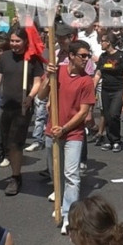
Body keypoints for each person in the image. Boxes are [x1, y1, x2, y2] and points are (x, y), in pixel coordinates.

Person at [38, 40, 96, 233]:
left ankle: (69, 216)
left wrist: (64, 128)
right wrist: (49, 77)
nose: (86, 59)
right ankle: (61, 206)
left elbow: (83, 112)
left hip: (73, 134)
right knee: (57, 173)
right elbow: (41, 95)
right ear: (71, 55)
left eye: (88, 56)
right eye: (83, 55)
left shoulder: (86, 80)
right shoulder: (58, 72)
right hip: (52, 131)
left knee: (72, 175)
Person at [0, 28, 44, 195]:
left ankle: (15, 177)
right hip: (6, 106)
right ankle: (15, 170)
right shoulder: (5, 57)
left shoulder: (32, 60)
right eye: (12, 41)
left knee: (16, 144)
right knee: (8, 144)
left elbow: (38, 82)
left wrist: (30, 97)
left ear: (25, 41)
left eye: (18, 41)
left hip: (23, 108)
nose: (15, 44)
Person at [96, 31, 123, 154]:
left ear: (108, 42)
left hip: (118, 89)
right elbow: (98, 74)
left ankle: (116, 140)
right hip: (105, 89)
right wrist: (91, 88)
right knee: (107, 115)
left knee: (114, 114)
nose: (101, 43)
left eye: (102, 41)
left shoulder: (122, 56)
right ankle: (109, 140)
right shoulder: (103, 57)